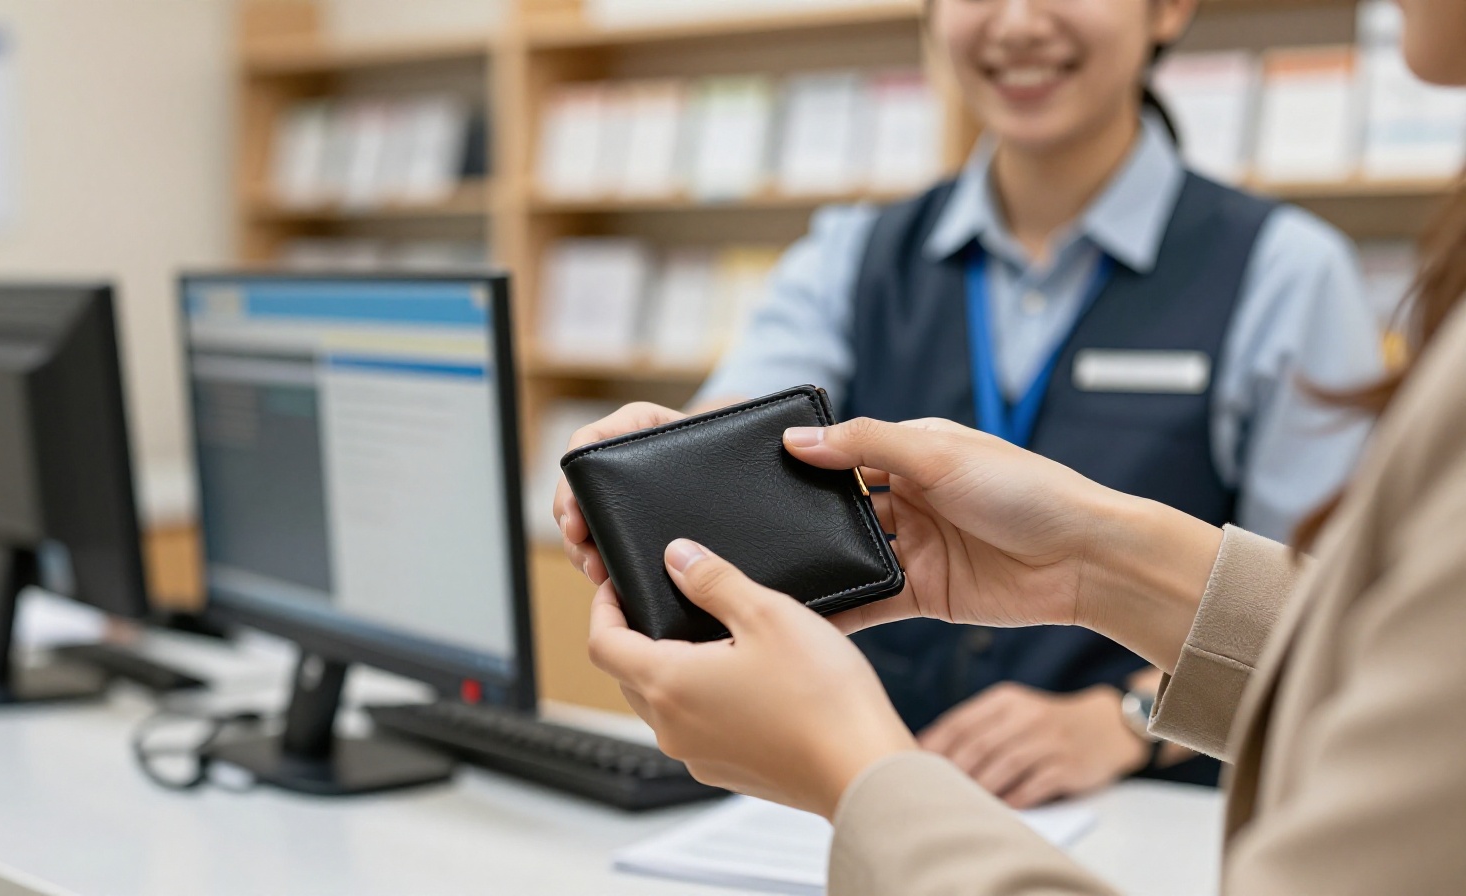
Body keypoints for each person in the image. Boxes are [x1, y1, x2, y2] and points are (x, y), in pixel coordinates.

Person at [574, 0, 1466, 887]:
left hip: (1141, 830)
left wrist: (1123, 716)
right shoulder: (854, 251)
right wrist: (673, 460)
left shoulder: (1283, 269)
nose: (1016, 21)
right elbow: (752, 408)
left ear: (1169, 9)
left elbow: (1355, 629)